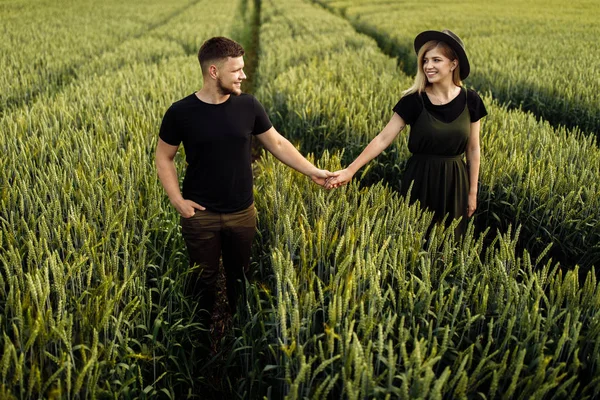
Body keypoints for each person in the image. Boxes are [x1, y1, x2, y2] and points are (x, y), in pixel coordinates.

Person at [155, 37, 335, 347]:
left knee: (240, 279)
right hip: (200, 215)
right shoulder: (181, 112)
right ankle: (199, 345)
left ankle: (240, 339)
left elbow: (277, 143)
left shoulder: (248, 105)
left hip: (242, 212)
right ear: (214, 71)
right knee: (203, 282)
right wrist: (177, 201)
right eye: (237, 70)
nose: (243, 76)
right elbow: (163, 156)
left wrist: (313, 171)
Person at [326, 29, 487, 237]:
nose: (428, 66)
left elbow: (473, 149)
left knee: (451, 245)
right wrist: (350, 170)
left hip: (455, 184)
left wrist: (472, 192)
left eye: (436, 60)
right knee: (414, 241)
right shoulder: (414, 100)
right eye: (425, 60)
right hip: (420, 180)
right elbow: (383, 139)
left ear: (453, 64)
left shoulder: (471, 100)